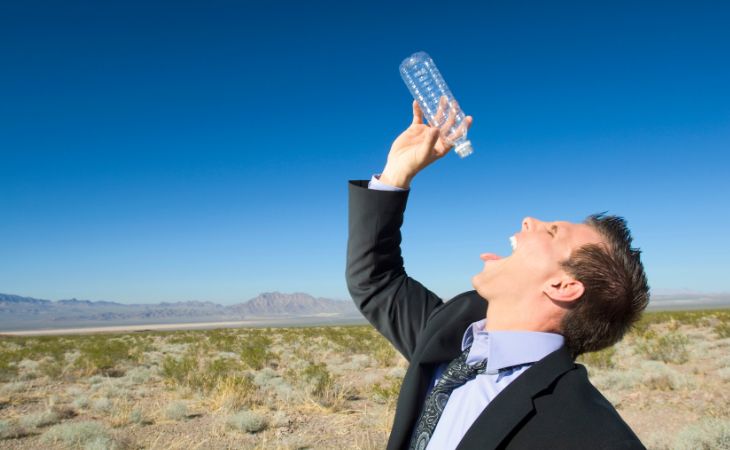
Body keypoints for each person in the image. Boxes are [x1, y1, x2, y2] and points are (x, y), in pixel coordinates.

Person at [346, 98, 649, 450]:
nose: (528, 220)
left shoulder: (593, 437)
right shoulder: (449, 337)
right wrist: (397, 173)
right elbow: (375, 279)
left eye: (551, 232)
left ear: (563, 285)